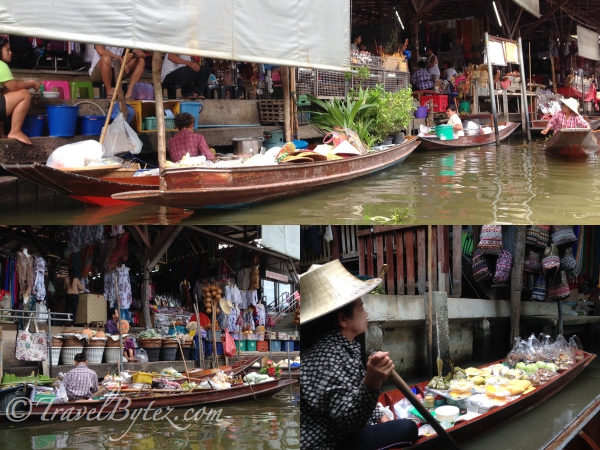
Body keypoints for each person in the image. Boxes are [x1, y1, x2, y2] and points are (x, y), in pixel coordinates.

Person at [300, 260, 418, 450]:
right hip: (331, 443)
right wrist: (372, 380)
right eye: (361, 308)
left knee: (388, 419)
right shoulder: (327, 357)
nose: (367, 314)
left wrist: (379, 415)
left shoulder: (343, 345)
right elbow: (350, 421)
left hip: (342, 430)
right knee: (408, 428)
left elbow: (352, 396)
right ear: (342, 319)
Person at [0, 37, 40, 144]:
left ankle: (1, 132)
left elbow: (10, 85)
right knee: (24, 94)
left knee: (4, 90)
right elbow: (15, 86)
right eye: (7, 50)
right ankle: (15, 131)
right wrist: (31, 84)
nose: (11, 52)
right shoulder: (1, 65)